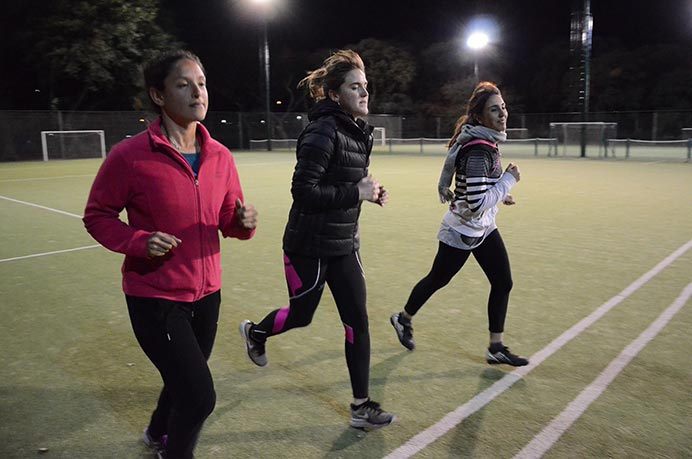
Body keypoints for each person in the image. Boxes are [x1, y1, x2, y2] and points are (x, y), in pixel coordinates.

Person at [83, 49, 258, 459]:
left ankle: (156, 432)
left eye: (201, 83)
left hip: (207, 293)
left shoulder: (221, 156)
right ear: (158, 96)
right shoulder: (130, 157)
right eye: (183, 84)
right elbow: (98, 215)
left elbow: (227, 221)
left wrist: (242, 224)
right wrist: (138, 241)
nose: (198, 92)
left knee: (181, 379)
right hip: (155, 297)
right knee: (198, 396)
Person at [239, 49, 396, 430]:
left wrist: (369, 193)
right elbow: (304, 191)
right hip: (308, 246)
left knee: (357, 321)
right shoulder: (322, 131)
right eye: (354, 87)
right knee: (302, 315)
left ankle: (361, 406)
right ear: (334, 94)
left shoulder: (360, 132)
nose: (363, 93)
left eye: (365, 86)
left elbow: (346, 182)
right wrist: (355, 193)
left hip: (344, 245)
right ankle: (256, 332)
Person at [390, 81, 529, 367]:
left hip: (482, 225)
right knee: (438, 279)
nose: (503, 113)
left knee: (503, 282)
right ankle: (402, 319)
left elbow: (476, 190)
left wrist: (503, 193)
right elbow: (477, 201)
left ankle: (496, 347)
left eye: (503, 106)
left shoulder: (488, 140)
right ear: (479, 116)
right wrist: (508, 180)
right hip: (463, 230)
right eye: (494, 109)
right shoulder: (480, 149)